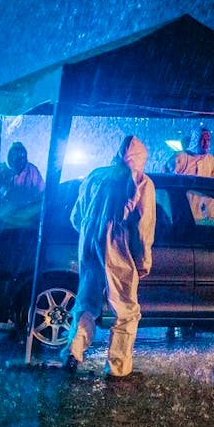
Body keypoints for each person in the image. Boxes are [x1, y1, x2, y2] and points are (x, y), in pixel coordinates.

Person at [62, 135, 156, 380]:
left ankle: (74, 351)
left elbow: (75, 217)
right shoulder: (141, 182)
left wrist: (90, 236)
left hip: (89, 243)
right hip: (117, 245)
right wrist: (143, 261)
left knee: (87, 302)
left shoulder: (95, 175)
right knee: (126, 310)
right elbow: (143, 228)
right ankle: (118, 367)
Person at [165, 127, 214, 221]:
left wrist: (211, 216)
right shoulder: (180, 158)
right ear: (195, 140)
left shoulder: (211, 161)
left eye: (208, 140)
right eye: (203, 140)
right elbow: (166, 184)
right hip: (179, 218)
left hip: (201, 220)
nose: (206, 143)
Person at [0, 141, 44, 212]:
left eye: (20, 158)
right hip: (4, 216)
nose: (16, 161)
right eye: (14, 157)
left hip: (27, 216)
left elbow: (42, 195)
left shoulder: (32, 171)